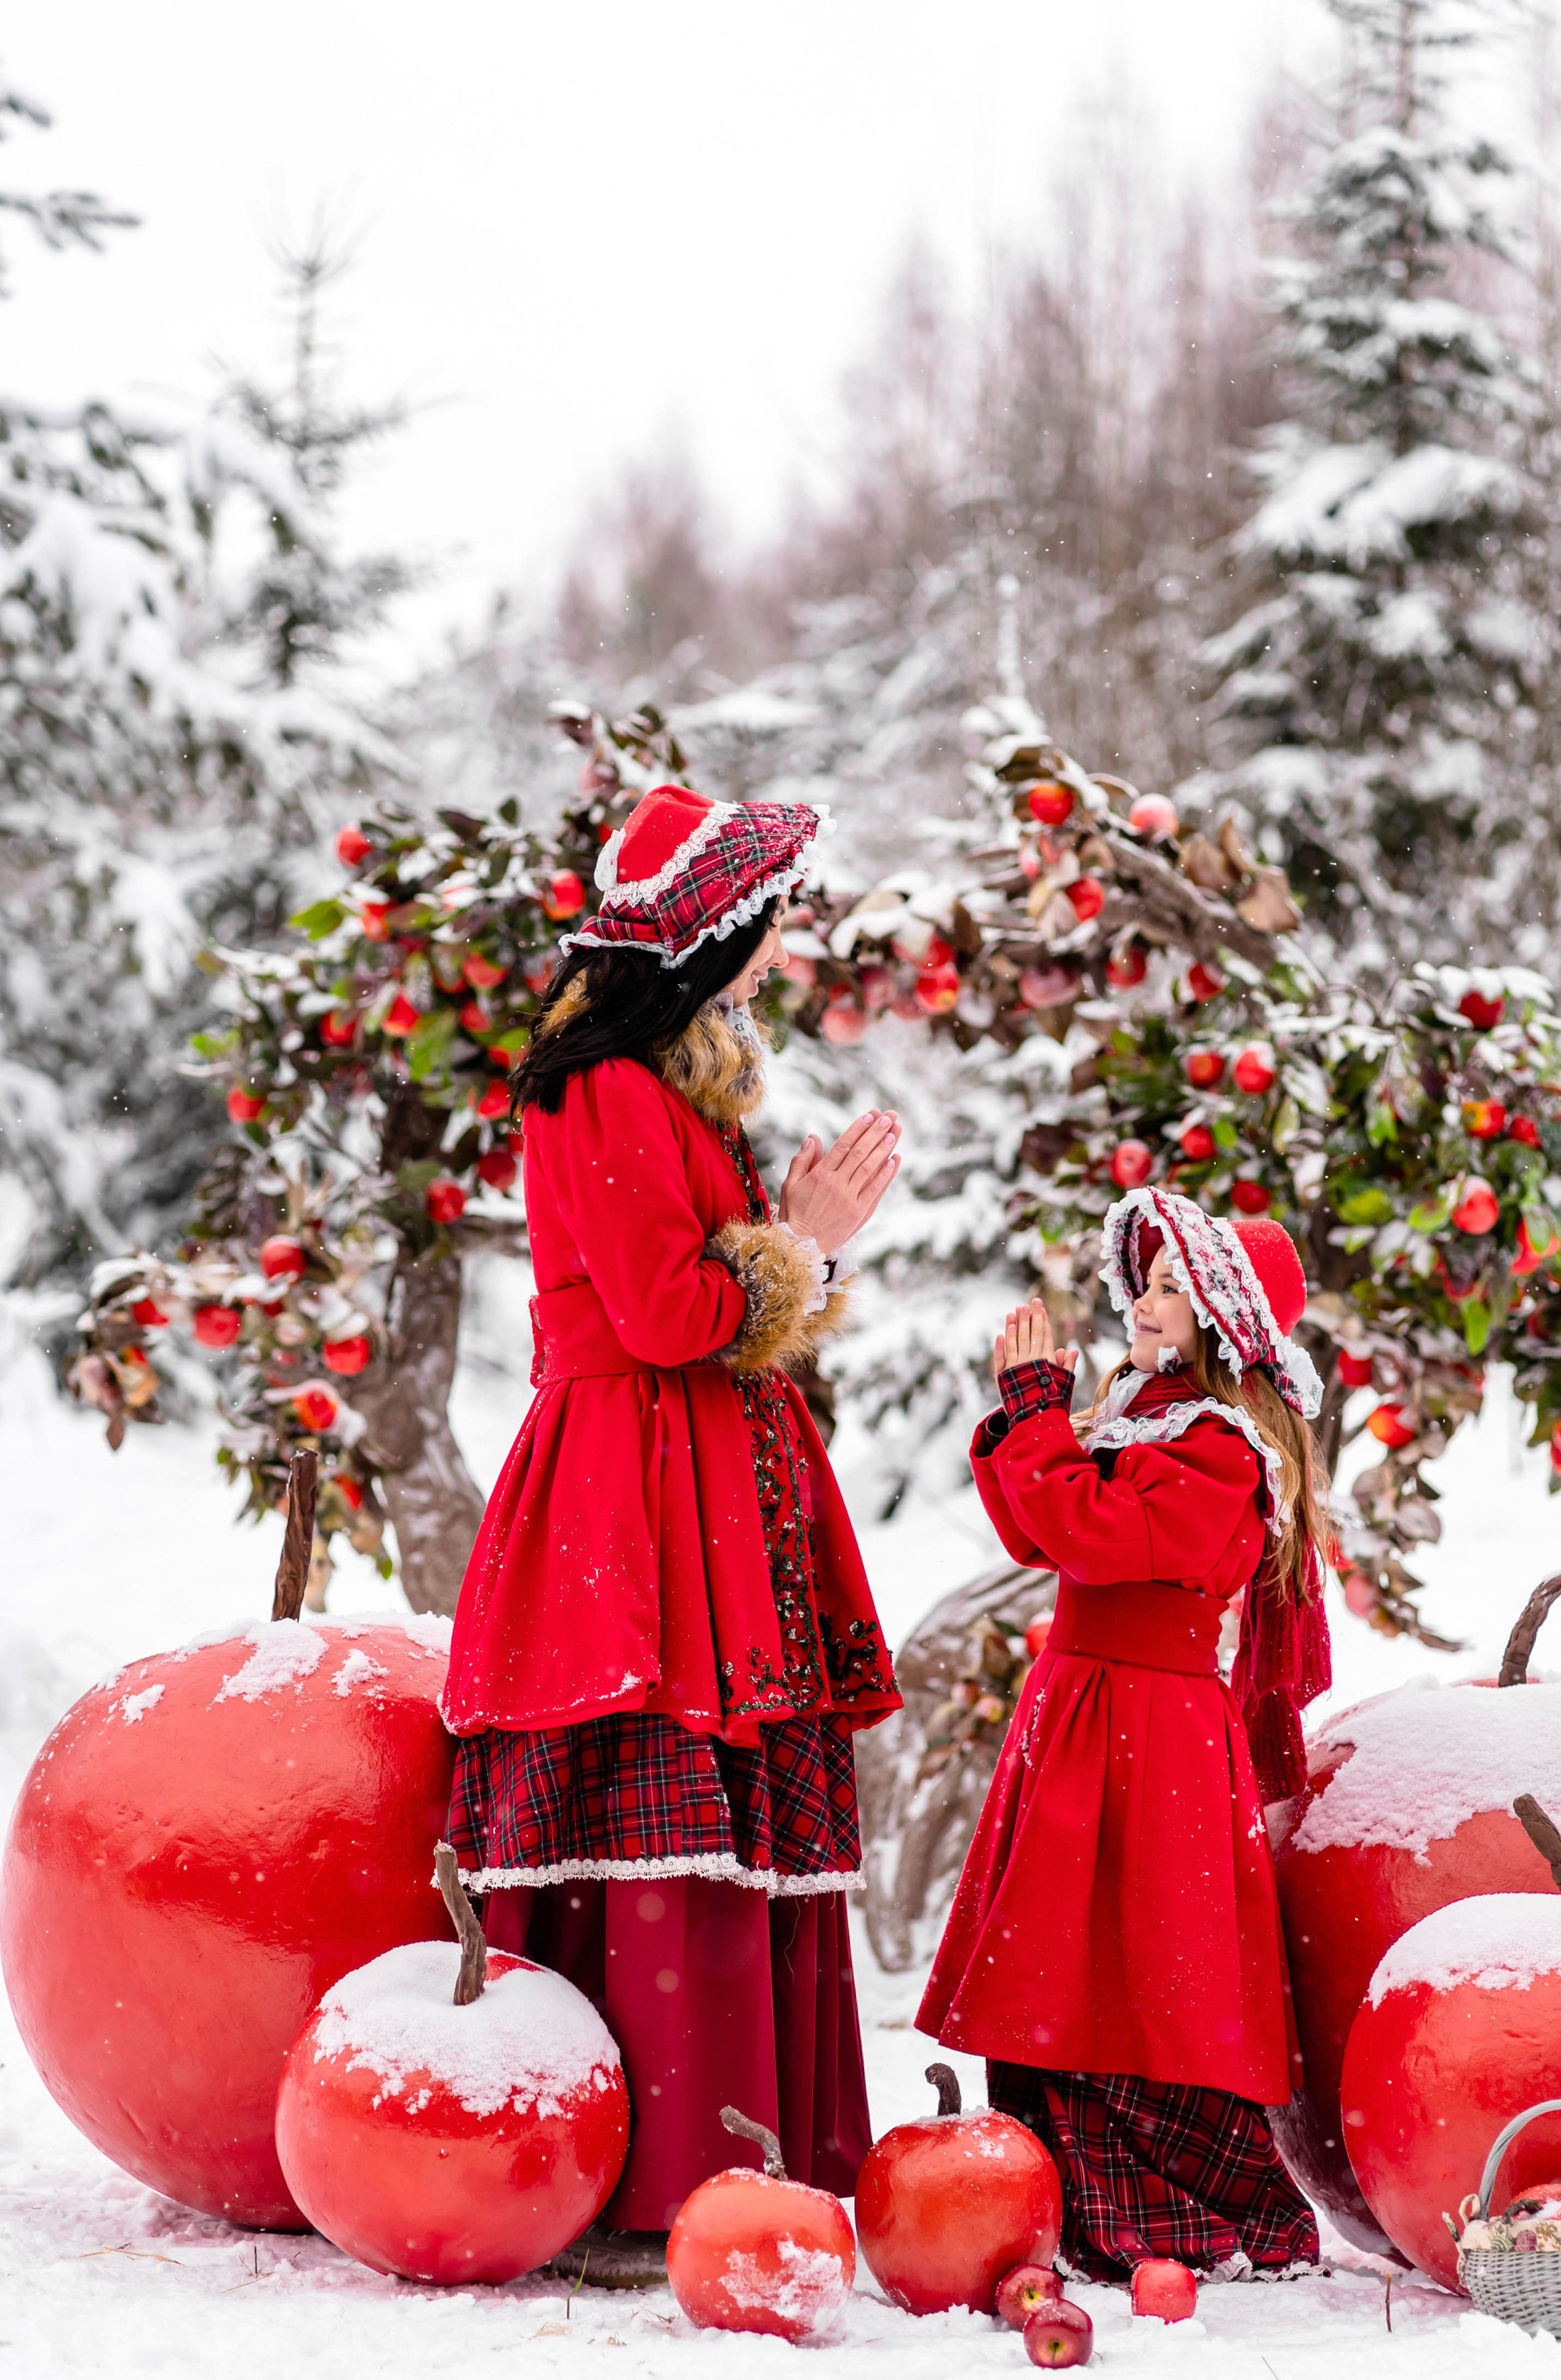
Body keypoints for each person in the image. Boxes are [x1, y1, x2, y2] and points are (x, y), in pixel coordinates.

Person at [443, 782, 903, 2271]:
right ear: (714, 938)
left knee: (703, 1802)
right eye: (767, 927)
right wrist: (806, 1248)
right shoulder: (610, 1092)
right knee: (654, 1790)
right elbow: (665, 1314)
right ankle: (655, 2164)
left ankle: (722, 2154)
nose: (782, 951)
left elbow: (712, 1307)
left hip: (698, 1475)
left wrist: (792, 1247)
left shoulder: (660, 1086)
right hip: (635, 1487)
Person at [917, 1188, 1332, 2283]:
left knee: (1143, 1957)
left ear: (1215, 1316)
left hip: (1152, 1729)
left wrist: (1043, 1419)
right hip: (1083, 1709)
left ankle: (1168, 2198)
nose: (1140, 1305)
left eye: (1164, 1289)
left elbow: (1094, 1533)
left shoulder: (1223, 1453)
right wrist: (1027, 1415)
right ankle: (1065, 2180)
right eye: (1143, 1284)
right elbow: (1037, 1527)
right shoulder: (1143, 1415)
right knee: (1059, 1951)